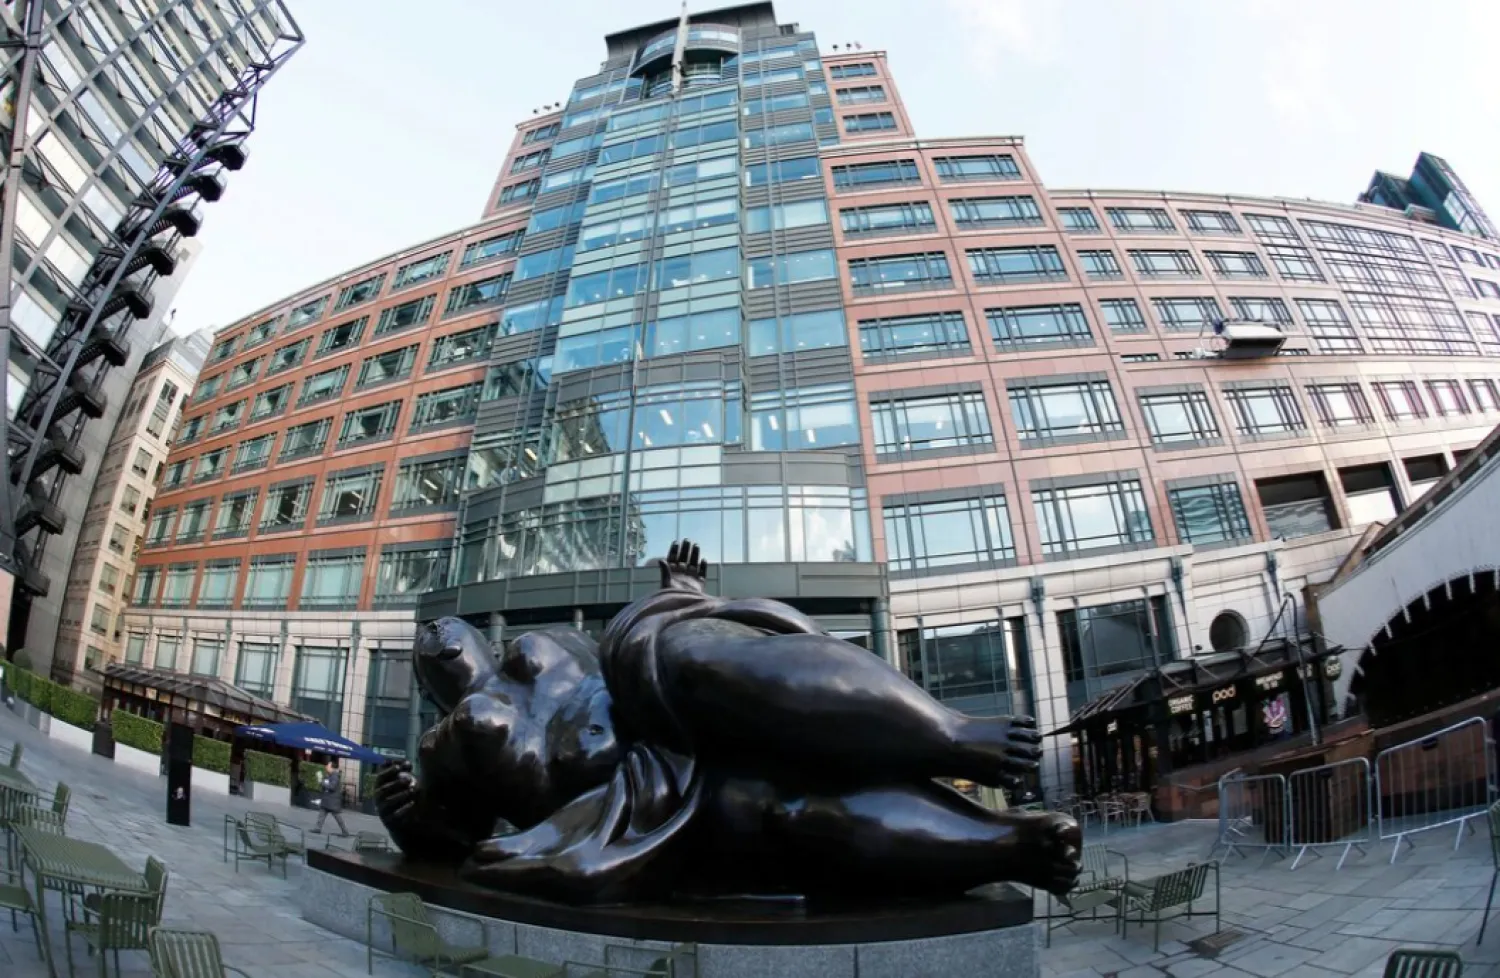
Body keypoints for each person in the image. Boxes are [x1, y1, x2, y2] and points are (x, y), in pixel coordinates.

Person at [377, 539, 1080, 904]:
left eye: (442, 625)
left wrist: (677, 598)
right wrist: (406, 819)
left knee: (698, 661)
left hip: (649, 697)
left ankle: (951, 735)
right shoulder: (443, 750)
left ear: (472, 630)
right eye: (423, 644)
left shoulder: (549, 643)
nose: (434, 635)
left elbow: (619, 655)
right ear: (428, 681)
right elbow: (446, 840)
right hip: (631, 799)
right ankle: (1007, 845)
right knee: (785, 809)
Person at [312, 760, 349, 836]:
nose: (326, 767)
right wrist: (322, 781)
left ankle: (345, 831)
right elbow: (327, 784)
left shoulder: (335, 776)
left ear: (332, 767)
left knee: (337, 817)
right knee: (322, 814)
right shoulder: (330, 775)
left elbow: (332, 787)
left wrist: (322, 783)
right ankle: (317, 828)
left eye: (328, 765)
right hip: (328, 800)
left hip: (332, 801)